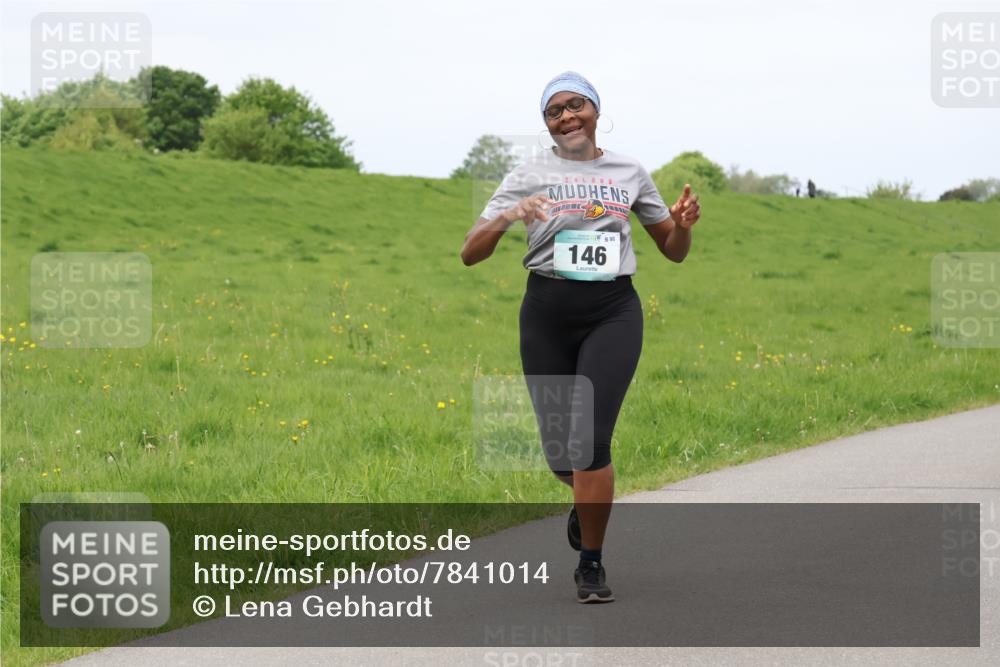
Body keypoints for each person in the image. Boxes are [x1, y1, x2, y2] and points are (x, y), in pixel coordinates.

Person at [459, 71, 701, 603]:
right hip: (546, 311)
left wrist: (681, 224)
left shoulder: (629, 171)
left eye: (576, 105)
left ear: (596, 110)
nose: (566, 116)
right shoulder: (529, 172)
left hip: (612, 310)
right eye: (554, 111)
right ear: (545, 123)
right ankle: (588, 500)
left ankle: (590, 564)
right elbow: (470, 252)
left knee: (589, 443)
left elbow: (673, 250)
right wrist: (508, 214)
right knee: (559, 455)